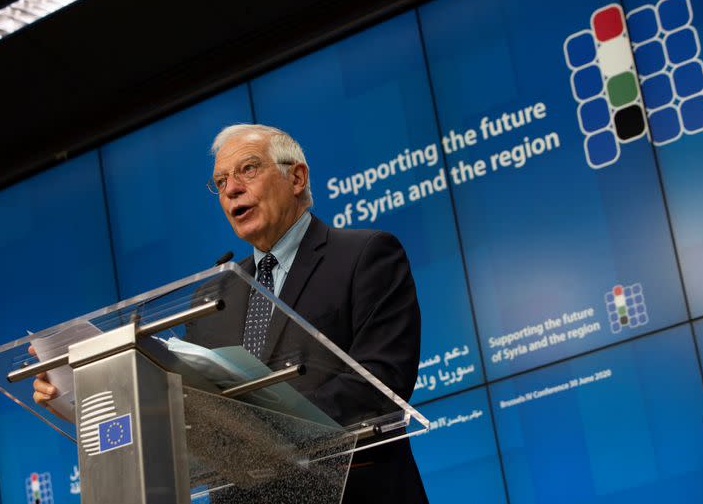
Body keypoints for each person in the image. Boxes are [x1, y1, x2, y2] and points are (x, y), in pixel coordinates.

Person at [34, 124, 428, 503]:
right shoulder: (213, 297)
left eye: (248, 169)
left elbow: (381, 384)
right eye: (220, 182)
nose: (232, 189)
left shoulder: (364, 256)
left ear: (297, 178)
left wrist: (263, 431)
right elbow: (183, 414)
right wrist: (85, 407)